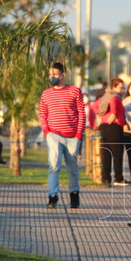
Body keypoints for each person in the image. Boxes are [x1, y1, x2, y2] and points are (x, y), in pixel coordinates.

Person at [39, 61, 86, 209]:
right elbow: (42, 114)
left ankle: (74, 194)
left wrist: (79, 134)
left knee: (73, 167)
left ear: (63, 75)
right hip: (54, 135)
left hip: (72, 136)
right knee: (54, 166)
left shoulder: (75, 91)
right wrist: (47, 131)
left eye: (55, 74)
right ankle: (52, 197)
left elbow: (81, 113)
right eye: (50, 74)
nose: (52, 77)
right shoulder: (46, 94)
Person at [98, 77, 128, 186]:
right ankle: (118, 178)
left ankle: (106, 178)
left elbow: (100, 110)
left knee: (106, 153)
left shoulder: (106, 96)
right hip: (114, 127)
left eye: (124, 87)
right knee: (117, 153)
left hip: (103, 127)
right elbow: (114, 110)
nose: (123, 90)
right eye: (121, 88)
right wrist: (114, 115)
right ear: (114, 87)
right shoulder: (115, 97)